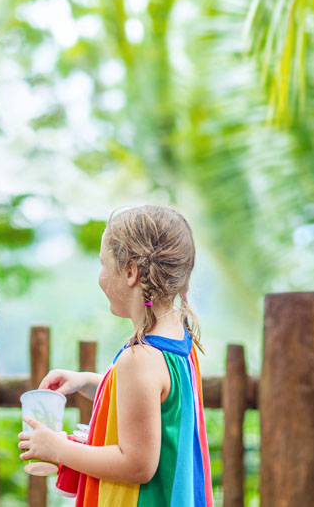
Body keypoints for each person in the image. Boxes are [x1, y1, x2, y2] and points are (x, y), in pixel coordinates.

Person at [18, 205, 213, 506]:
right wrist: (88, 382)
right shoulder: (176, 338)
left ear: (131, 272)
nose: (100, 275)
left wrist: (57, 448)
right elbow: (153, 406)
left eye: (103, 263)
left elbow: (136, 465)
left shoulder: (140, 357)